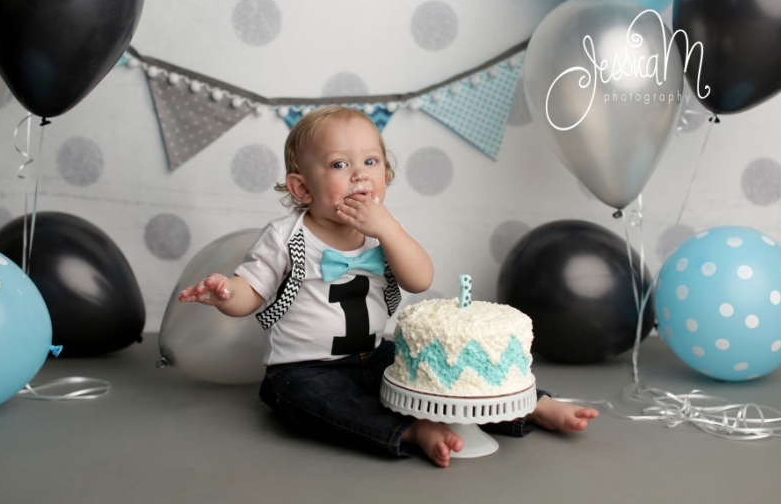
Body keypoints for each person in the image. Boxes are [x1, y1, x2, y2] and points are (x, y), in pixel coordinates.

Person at [179, 105, 597, 468]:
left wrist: (390, 231)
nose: (359, 174)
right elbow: (250, 292)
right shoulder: (285, 237)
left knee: (440, 378)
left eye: (371, 162)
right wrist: (226, 294)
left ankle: (532, 407)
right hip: (305, 367)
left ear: (387, 173)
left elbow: (420, 279)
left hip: (376, 352)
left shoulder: (383, 232)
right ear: (303, 187)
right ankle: (411, 430)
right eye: (340, 165)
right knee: (312, 402)